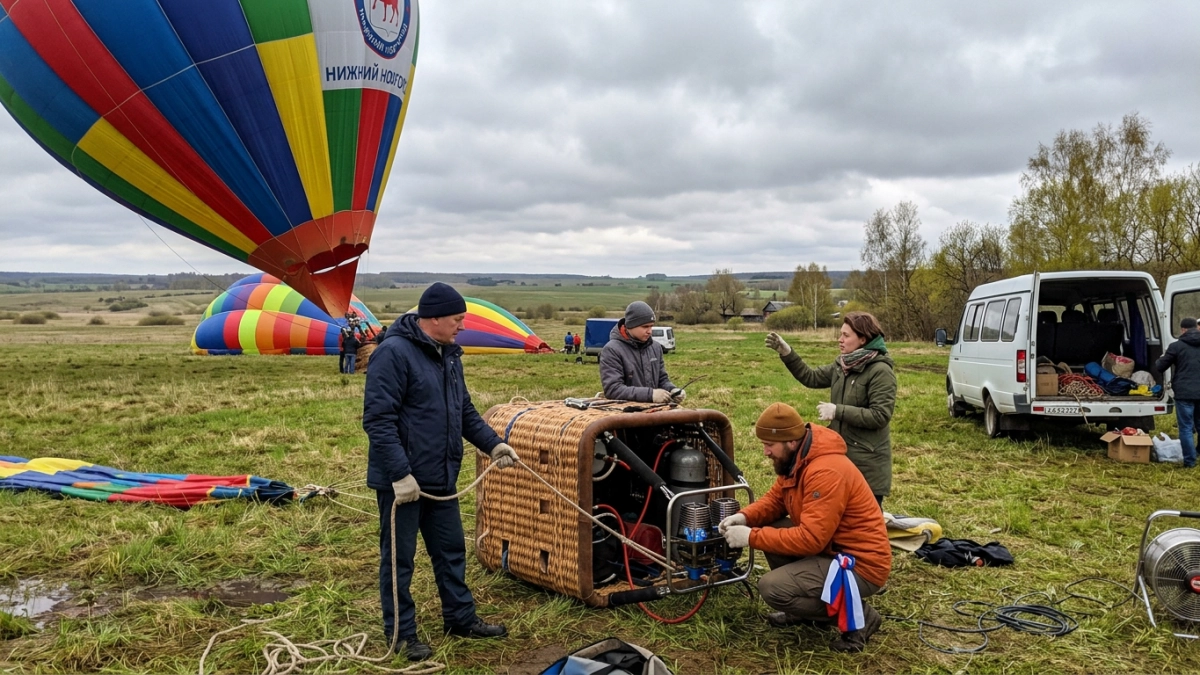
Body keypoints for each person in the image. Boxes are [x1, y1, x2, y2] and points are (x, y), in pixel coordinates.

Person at [363, 282, 520, 661]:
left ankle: (461, 619)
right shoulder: (393, 354)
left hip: (441, 478)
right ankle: (401, 635)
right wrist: (400, 474)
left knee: (451, 551)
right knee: (399, 560)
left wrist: (493, 443)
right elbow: (378, 420)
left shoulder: (449, 355)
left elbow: (463, 410)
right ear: (432, 319)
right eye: (457, 319)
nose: (462, 326)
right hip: (404, 483)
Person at [719, 402, 891, 652]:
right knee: (773, 523)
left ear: (790, 441)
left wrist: (751, 537)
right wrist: (744, 517)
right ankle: (803, 611)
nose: (765, 452)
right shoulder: (798, 459)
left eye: (770, 445)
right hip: (831, 550)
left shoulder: (825, 471)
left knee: (772, 588)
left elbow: (811, 540)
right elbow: (775, 500)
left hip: (860, 565)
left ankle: (859, 619)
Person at [765, 312, 896, 505]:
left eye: (846, 335)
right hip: (840, 457)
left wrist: (837, 411)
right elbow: (811, 377)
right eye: (840, 334)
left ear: (863, 339)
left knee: (863, 525)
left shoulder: (880, 371)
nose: (840, 340)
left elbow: (880, 415)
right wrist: (787, 353)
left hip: (867, 464)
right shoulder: (842, 365)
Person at [600, 301, 682, 403]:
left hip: (655, 411)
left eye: (651, 326)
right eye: (645, 327)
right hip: (625, 414)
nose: (650, 331)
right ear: (631, 325)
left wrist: (672, 389)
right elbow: (613, 390)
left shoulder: (656, 347)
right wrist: (650, 394)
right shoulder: (612, 350)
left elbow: (662, 379)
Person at [1156, 316, 1200, 468]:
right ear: (1197, 327)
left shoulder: (1177, 346)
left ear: (1182, 329)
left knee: (1186, 427)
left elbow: (1160, 366)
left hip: (1184, 393)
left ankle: (1190, 462)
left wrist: (1162, 357)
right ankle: (1198, 452)